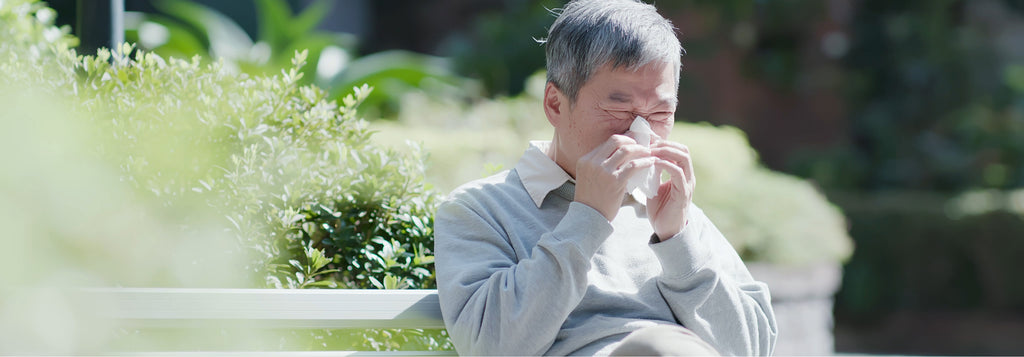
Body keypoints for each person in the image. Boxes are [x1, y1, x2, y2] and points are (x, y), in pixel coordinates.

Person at [433, 0, 778, 355]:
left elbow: (752, 348)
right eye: (618, 109)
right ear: (555, 104)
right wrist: (587, 219)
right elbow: (494, 346)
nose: (639, 132)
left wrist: (678, 240)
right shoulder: (478, 211)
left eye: (660, 112)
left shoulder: (675, 215)